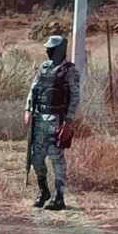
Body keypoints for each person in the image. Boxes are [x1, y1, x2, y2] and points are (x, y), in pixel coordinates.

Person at [24, 35, 81, 211]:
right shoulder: (44, 67)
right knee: (35, 157)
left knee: (57, 158)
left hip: (58, 120)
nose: (47, 51)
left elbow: (75, 97)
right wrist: (27, 110)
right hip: (39, 119)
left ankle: (59, 196)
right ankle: (43, 191)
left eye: (51, 49)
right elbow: (33, 89)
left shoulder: (69, 70)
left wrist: (68, 122)